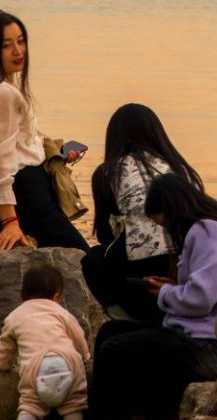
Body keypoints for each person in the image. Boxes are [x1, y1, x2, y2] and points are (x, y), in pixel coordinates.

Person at [70, 172, 217, 420]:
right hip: (202, 337)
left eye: (163, 222)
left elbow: (201, 299)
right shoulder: (214, 229)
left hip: (211, 347)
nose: (166, 230)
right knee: (111, 331)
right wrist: (173, 285)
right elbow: (205, 287)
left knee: (117, 349)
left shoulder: (207, 232)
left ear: (172, 210)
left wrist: (166, 293)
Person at [0, 10, 89, 251]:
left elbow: (14, 147)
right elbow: (0, 163)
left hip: (28, 196)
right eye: (7, 45)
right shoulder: (2, 93)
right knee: (86, 263)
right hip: (26, 201)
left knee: (79, 261)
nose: (18, 51)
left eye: (21, 41)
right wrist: (10, 222)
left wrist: (55, 154)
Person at [80, 103, 204, 323]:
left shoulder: (108, 172)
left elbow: (105, 234)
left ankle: (122, 315)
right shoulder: (180, 168)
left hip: (139, 282)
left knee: (94, 259)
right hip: (182, 271)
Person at [0, 261, 90, 420]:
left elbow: (5, 345)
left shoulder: (15, 316)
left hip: (35, 366)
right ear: (57, 296)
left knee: (30, 403)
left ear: (22, 296)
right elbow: (78, 336)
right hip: (68, 361)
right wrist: (85, 357)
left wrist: (1, 364)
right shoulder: (62, 313)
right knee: (73, 403)